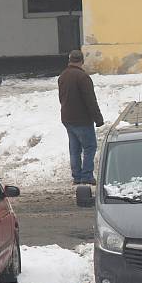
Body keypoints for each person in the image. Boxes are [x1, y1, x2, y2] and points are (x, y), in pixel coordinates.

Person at [58, 49, 104, 185]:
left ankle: (77, 177)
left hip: (67, 118)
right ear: (82, 61)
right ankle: (87, 176)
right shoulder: (83, 77)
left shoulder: (63, 76)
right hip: (82, 119)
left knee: (74, 149)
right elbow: (90, 100)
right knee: (89, 147)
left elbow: (61, 98)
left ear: (69, 61)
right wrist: (98, 119)